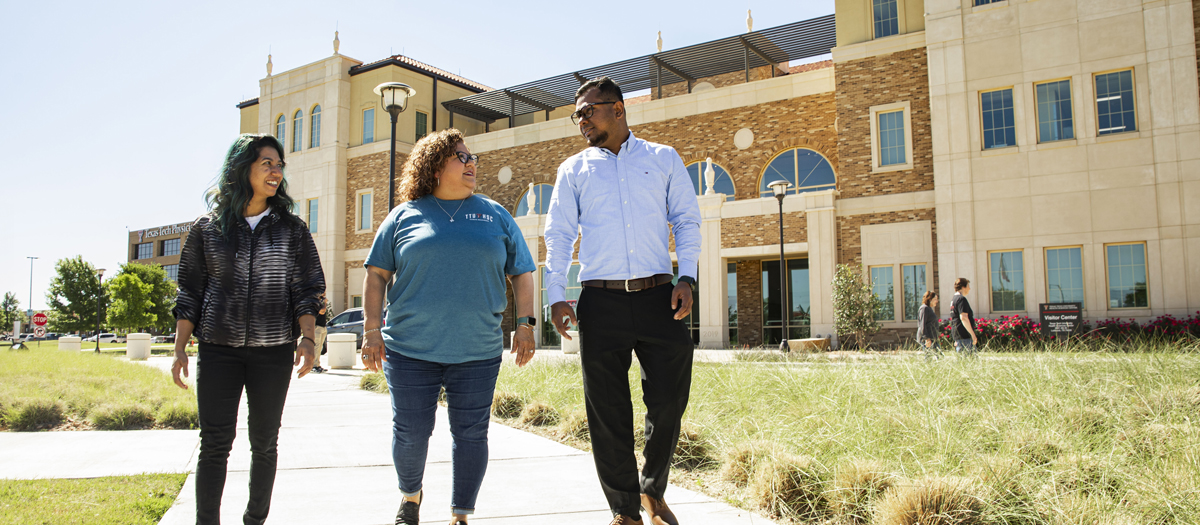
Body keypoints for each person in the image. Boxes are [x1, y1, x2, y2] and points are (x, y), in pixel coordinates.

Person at [359, 128, 537, 525]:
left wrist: (525, 324)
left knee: (471, 435)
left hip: (477, 349)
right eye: (461, 156)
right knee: (410, 433)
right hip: (409, 349)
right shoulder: (404, 215)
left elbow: (523, 272)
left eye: (472, 157)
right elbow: (375, 276)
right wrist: (372, 332)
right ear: (435, 166)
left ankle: (461, 513)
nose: (471, 162)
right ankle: (410, 497)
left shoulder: (495, 214)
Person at [545, 76, 701, 525]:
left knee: (669, 401)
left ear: (617, 109)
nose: (580, 122)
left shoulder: (663, 158)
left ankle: (653, 489)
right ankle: (625, 510)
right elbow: (558, 235)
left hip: (659, 298)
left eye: (587, 112)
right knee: (608, 411)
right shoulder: (573, 170)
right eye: (576, 115)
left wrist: (686, 275)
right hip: (600, 301)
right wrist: (558, 294)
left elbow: (687, 220)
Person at [171, 133, 326, 525]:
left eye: (279, 165)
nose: (276, 172)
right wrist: (178, 351)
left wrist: (308, 338)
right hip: (217, 348)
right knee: (215, 444)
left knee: (265, 443)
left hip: (273, 350)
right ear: (244, 169)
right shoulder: (207, 229)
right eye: (267, 164)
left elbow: (307, 289)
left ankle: (254, 520)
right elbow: (189, 291)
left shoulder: (292, 230)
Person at [949, 278, 978, 357]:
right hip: (964, 337)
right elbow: (963, 318)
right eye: (968, 286)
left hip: (958, 336)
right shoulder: (961, 299)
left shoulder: (953, 300)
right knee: (970, 362)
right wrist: (973, 334)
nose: (969, 288)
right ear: (963, 287)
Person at [916, 291, 942, 360]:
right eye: (935, 299)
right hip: (928, 338)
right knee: (929, 357)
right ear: (930, 299)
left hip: (932, 338)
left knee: (938, 356)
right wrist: (926, 338)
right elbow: (922, 324)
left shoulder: (928, 308)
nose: (937, 301)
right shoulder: (924, 308)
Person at [309, 294, 328, 373]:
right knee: (316, 347)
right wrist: (325, 303)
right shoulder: (315, 301)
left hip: (323, 326)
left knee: (320, 347)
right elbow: (322, 311)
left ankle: (317, 364)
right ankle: (313, 366)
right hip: (316, 327)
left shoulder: (320, 301)